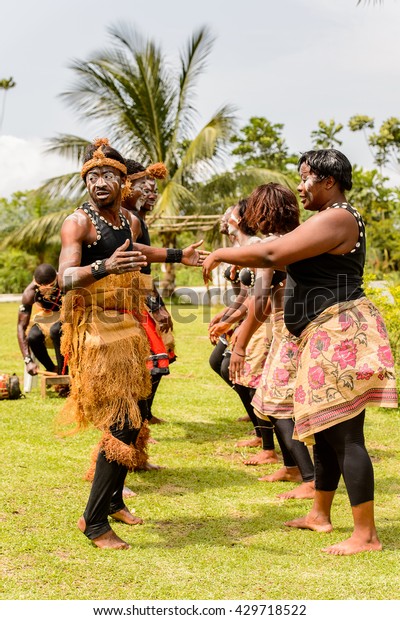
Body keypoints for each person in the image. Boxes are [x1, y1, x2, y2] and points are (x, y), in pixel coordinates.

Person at [203, 149, 398, 555]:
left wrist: (222, 252)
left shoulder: (339, 217)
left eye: (307, 177)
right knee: (325, 432)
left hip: (339, 332)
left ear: (330, 181)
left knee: (346, 437)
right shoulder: (322, 221)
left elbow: (273, 255)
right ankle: (320, 514)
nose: (300, 186)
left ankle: (366, 535)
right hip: (321, 333)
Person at [58, 138, 206, 550]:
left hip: (127, 328)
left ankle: (114, 501)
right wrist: (103, 266)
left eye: (107, 175)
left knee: (134, 415)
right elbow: (65, 277)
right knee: (121, 421)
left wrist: (178, 256)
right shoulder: (77, 223)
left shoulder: (128, 220)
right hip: (95, 331)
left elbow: (136, 250)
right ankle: (93, 521)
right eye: (91, 176)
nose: (99, 181)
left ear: (123, 182)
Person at [227, 184, 315, 496]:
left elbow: (262, 299)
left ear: (262, 212)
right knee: (272, 398)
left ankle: (309, 478)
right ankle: (292, 468)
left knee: (278, 403)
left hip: (287, 329)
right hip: (300, 326)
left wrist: (239, 345)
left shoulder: (274, 245)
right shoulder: (305, 235)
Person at [208, 200, 278, 464]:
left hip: (261, 319)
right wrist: (226, 315)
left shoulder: (257, 246)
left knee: (245, 376)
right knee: (226, 367)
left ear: (239, 219)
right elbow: (244, 295)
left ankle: (267, 443)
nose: (225, 217)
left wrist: (231, 320)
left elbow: (258, 296)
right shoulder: (239, 249)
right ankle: (261, 429)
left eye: (230, 214)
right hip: (247, 315)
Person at [123, 158, 175, 427]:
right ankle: (137, 421)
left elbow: (144, 272)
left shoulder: (136, 219)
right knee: (150, 364)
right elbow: (135, 272)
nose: (152, 194)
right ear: (127, 187)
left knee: (157, 360)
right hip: (131, 302)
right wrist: (156, 307)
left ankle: (143, 416)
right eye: (145, 188)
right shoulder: (129, 221)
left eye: (154, 189)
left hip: (141, 297)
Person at [17, 263, 65, 378]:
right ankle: (52, 369)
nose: (46, 292)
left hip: (67, 316)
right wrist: (28, 361)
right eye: (43, 289)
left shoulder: (65, 282)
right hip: (46, 318)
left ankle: (64, 373)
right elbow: (21, 327)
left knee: (56, 330)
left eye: (51, 286)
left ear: (56, 279)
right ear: (36, 283)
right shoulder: (29, 293)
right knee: (33, 336)